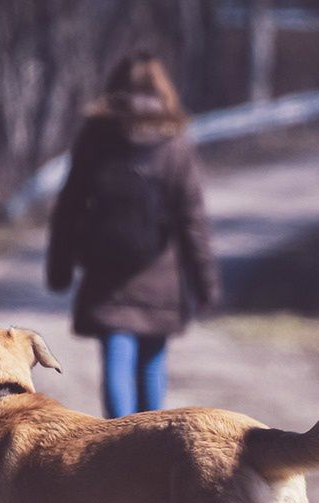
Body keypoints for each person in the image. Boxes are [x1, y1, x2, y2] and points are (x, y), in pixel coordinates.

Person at [47, 51, 219, 418]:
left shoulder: (96, 136)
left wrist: (59, 266)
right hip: (160, 273)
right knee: (151, 361)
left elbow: (70, 205)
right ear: (165, 89)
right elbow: (193, 220)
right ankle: (151, 447)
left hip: (106, 271)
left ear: (116, 87)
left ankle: (118, 447)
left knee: (116, 359)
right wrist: (205, 284)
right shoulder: (175, 142)